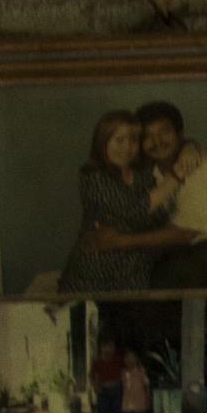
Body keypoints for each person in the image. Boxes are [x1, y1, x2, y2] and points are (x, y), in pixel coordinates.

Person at [88, 101, 207, 288]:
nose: (156, 142)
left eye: (164, 132)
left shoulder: (206, 169)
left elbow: (185, 233)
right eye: (147, 136)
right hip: (191, 260)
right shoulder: (148, 171)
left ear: (179, 134)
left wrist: (122, 242)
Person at [60, 112, 156, 294]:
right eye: (119, 140)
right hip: (94, 273)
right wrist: (175, 178)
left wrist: (191, 147)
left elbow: (155, 217)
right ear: (103, 142)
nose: (127, 148)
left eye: (134, 140)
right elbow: (130, 211)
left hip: (134, 271)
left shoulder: (143, 174)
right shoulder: (92, 175)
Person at [89, 336, 128, 413]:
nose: (108, 350)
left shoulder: (118, 359)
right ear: (101, 348)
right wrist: (95, 386)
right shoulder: (97, 361)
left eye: (111, 347)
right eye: (105, 347)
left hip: (117, 389)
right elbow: (91, 375)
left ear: (114, 348)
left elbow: (127, 371)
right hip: (103, 391)